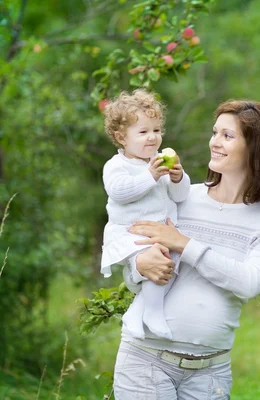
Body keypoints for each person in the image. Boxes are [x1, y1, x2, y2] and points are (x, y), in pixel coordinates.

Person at [113, 100, 260, 399]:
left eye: (227, 136)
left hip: (211, 372)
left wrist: (183, 243)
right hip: (146, 360)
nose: (215, 143)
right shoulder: (182, 196)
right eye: (214, 132)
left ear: (255, 147)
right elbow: (134, 270)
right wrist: (139, 266)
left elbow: (249, 283)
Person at [101, 89, 190, 340]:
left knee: (172, 263)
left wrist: (178, 178)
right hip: (131, 232)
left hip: (161, 232)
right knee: (156, 258)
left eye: (156, 130)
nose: (152, 138)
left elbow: (181, 196)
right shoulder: (117, 166)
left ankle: (138, 310)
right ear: (121, 137)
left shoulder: (159, 161)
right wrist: (150, 176)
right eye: (143, 132)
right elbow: (119, 192)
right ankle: (152, 312)